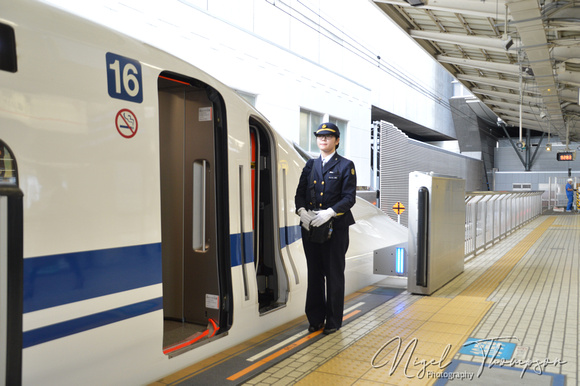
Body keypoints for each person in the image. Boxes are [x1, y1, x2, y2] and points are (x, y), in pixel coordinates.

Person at [294, 122, 357, 335]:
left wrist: (330, 212)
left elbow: (349, 198)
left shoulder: (345, 165)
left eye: (328, 137)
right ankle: (315, 319)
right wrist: (301, 209)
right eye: (320, 136)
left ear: (337, 140)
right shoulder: (310, 165)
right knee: (314, 274)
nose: (323, 140)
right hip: (311, 226)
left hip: (335, 228)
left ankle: (332, 321)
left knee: (333, 274)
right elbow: (300, 192)